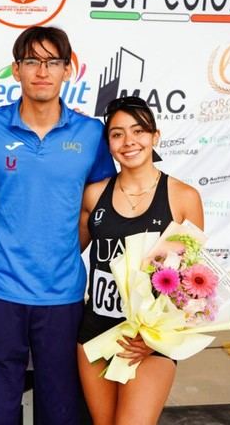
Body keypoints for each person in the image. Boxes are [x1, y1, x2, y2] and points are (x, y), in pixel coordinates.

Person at [0, 26, 116, 424]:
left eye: (53, 62)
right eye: (32, 61)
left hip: (63, 294)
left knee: (61, 409)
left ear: (68, 70)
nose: (42, 71)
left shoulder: (91, 133)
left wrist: (61, 250)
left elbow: (97, 210)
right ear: (16, 70)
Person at [77, 96, 204, 425]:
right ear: (108, 143)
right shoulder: (93, 195)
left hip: (147, 341)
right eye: (117, 134)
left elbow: (194, 283)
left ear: (155, 136)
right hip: (96, 331)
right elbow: (66, 253)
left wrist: (155, 338)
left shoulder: (183, 198)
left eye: (138, 131)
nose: (129, 141)